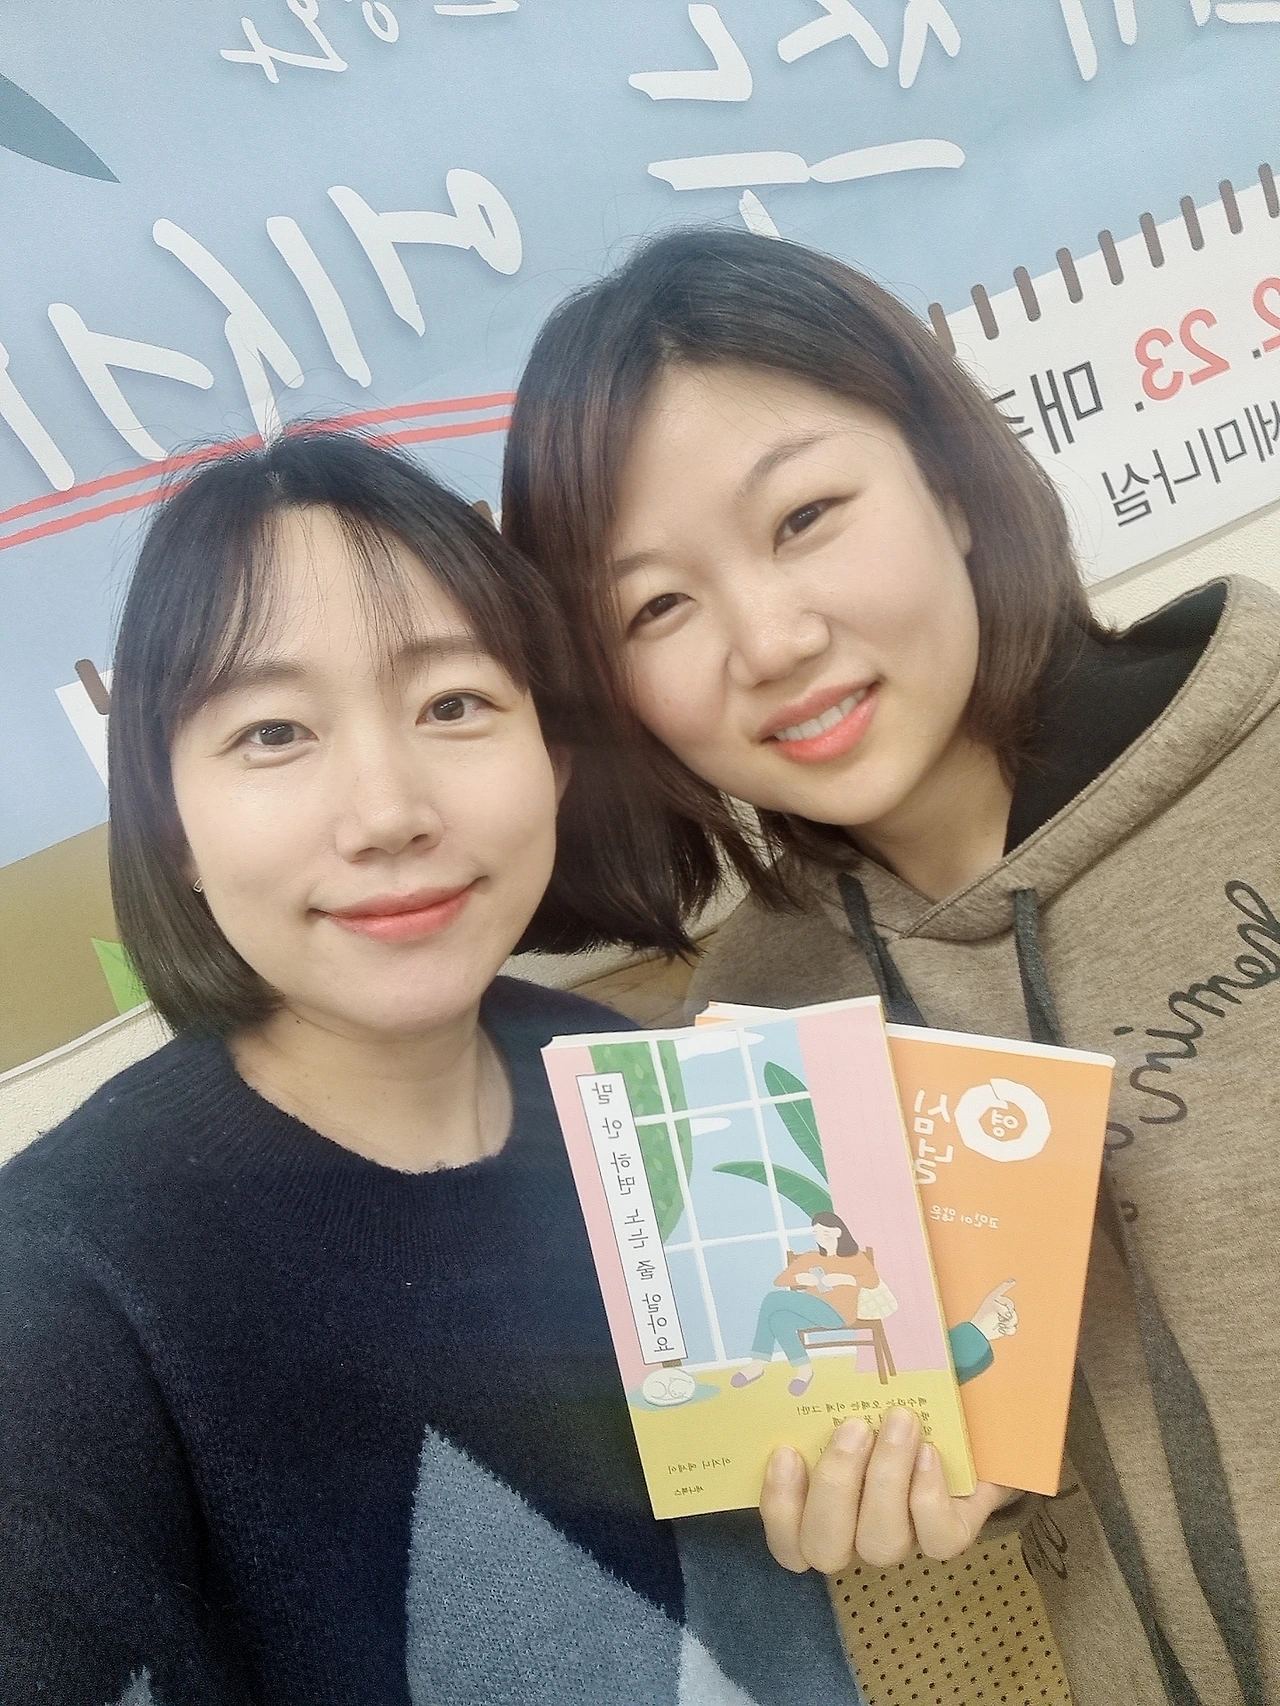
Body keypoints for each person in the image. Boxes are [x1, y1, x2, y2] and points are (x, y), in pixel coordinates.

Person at [501, 227, 1278, 1706]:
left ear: (952, 481)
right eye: (655, 605)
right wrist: (912, 1482)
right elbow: (936, 1437)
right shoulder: (754, 1038)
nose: (769, 639)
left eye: (803, 516)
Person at [0, 430, 862, 1705]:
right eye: (274, 730)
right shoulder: (55, 1286)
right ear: (171, 824)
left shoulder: (661, 1094)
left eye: (453, 704)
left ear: (552, 758)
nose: (387, 810)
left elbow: (828, 1474)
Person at [733, 1213, 881, 1397]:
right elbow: (780, 1280)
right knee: (779, 1320)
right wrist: (800, 1278)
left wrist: (846, 1279)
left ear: (837, 1232)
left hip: (838, 1313)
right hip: (812, 1310)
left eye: (824, 1232)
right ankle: (804, 1370)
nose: (820, 1237)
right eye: (816, 1233)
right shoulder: (811, 1257)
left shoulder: (854, 1257)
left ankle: (757, 1364)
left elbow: (873, 1281)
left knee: (773, 1299)